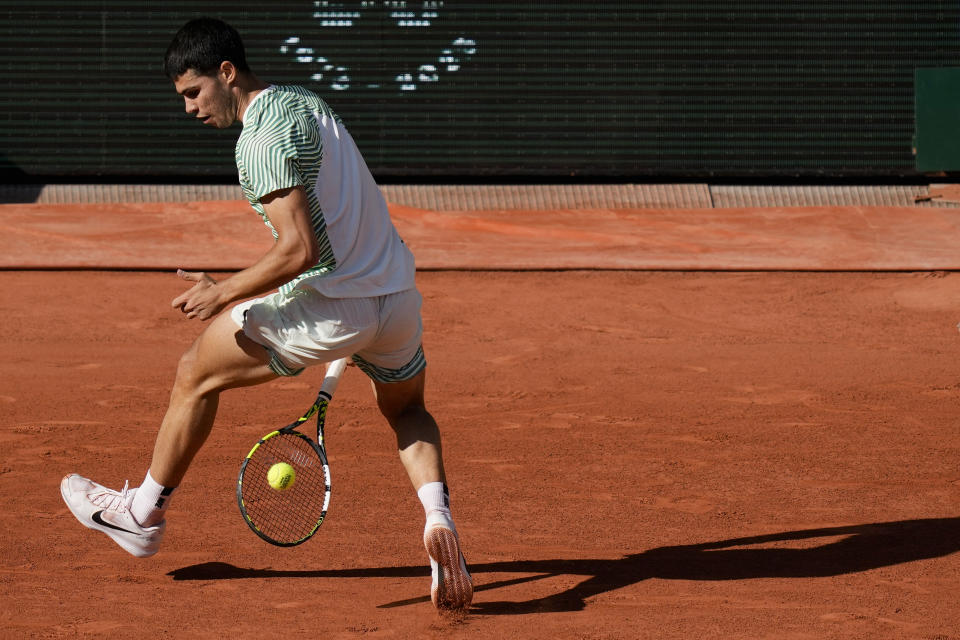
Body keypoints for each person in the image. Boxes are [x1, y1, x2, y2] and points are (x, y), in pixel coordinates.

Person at [60, 17, 472, 611]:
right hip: (397, 295)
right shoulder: (307, 102)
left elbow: (299, 250)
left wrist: (222, 292)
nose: (190, 109)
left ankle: (140, 515)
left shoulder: (258, 141)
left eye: (194, 92)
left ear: (227, 73)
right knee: (408, 410)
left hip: (334, 308)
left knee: (194, 374)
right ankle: (439, 521)